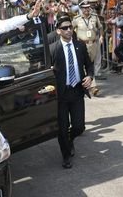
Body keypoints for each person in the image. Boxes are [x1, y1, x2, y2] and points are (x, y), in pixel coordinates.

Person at [49, 14, 94, 169]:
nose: (69, 30)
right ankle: (66, 155)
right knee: (62, 128)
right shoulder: (53, 49)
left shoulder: (79, 46)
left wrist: (89, 76)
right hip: (61, 94)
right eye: (65, 28)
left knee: (79, 127)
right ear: (58, 31)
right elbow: (43, 69)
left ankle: (70, 139)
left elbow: (89, 65)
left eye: (70, 27)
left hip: (77, 91)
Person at [73, 0, 103, 96]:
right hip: (82, 44)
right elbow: (71, 29)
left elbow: (100, 27)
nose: (86, 10)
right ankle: (93, 87)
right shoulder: (77, 19)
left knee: (91, 64)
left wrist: (101, 36)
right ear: (81, 9)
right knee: (85, 64)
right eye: (84, 8)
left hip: (93, 44)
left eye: (88, 8)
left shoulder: (94, 17)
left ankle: (88, 85)